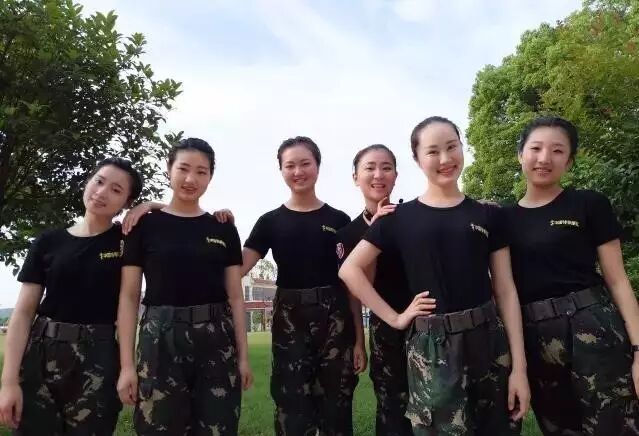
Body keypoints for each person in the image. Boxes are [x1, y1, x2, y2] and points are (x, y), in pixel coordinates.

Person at [339, 116, 530, 436]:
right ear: (417, 159)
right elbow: (349, 270)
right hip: (431, 348)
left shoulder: (488, 214)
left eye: (452, 147)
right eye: (432, 151)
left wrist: (519, 369)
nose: (445, 158)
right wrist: (396, 317)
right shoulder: (398, 218)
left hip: (488, 341)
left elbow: (506, 290)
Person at [507, 116, 639, 435]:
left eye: (557, 150)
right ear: (520, 154)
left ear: (569, 161)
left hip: (594, 329)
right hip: (535, 338)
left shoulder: (588, 204)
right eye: (535, 148)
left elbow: (618, 280)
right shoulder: (501, 218)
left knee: (615, 426)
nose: (544, 158)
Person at [116, 138, 252, 435]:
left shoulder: (223, 228)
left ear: (210, 177)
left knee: (218, 427)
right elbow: (128, 297)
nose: (191, 179)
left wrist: (242, 358)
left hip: (217, 340)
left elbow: (235, 297)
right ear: (169, 169)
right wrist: (127, 366)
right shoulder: (143, 225)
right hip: (159, 339)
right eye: (183, 169)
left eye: (202, 172)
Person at [0, 157, 143, 435]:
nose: (101, 192)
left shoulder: (127, 241)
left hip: (98, 358)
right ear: (88, 182)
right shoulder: (49, 242)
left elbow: (170, 218)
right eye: (99, 181)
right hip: (41, 354)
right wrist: (9, 382)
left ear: (127, 202)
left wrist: (147, 206)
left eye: (116, 190)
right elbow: (24, 312)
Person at [242, 136, 363, 436]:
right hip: (289, 318)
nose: (298, 171)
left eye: (305, 163)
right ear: (281, 170)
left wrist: (359, 341)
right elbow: (237, 268)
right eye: (290, 165)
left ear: (317, 167)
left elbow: (352, 284)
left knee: (337, 401)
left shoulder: (339, 220)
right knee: (291, 402)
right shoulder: (270, 222)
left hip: (335, 318)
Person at [336, 144, 413, 435]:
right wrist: (359, 342)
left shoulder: (414, 217)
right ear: (355, 177)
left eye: (386, 168)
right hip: (384, 328)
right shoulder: (347, 233)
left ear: (396, 176)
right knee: (391, 402)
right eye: (369, 168)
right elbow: (355, 294)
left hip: (425, 321)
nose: (378, 175)